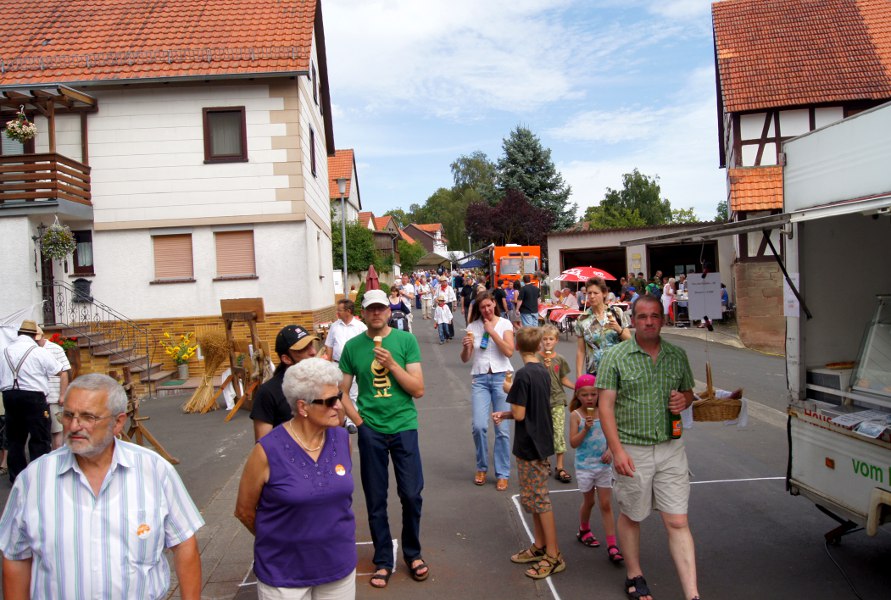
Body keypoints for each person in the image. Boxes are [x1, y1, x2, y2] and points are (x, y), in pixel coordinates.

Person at [0, 373, 204, 599]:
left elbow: (185, 544)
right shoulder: (34, 480)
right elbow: (16, 556)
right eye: (68, 415)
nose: (75, 426)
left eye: (88, 417)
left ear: (118, 422)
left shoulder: (154, 471)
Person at [597, 295, 700, 600]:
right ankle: (634, 574)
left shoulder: (677, 355)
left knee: (678, 520)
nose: (649, 322)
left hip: (671, 448)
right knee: (632, 515)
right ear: (633, 319)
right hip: (633, 449)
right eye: (642, 317)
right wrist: (617, 451)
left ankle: (693, 594)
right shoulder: (615, 356)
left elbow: (688, 393)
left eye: (655, 316)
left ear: (662, 320)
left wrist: (686, 399)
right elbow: (605, 406)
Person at [235, 358, 356, 599]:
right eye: (331, 401)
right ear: (303, 407)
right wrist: (281, 541)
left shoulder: (342, 439)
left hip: (338, 566)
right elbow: (244, 511)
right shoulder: (267, 451)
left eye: (339, 397)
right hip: (285, 573)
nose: (339, 407)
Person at [338, 289, 428, 589]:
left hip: (403, 425)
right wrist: (360, 423)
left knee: (412, 494)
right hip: (371, 429)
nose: (376, 313)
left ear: (389, 311)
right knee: (376, 498)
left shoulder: (405, 341)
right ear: (363, 314)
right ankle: (383, 560)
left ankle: (413, 553)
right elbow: (342, 391)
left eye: (381, 308)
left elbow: (417, 389)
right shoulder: (352, 347)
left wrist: (391, 365)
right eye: (370, 309)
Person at [494, 327, 564, 579]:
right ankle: (540, 546)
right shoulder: (543, 371)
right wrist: (505, 413)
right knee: (534, 499)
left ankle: (553, 555)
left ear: (518, 348)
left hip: (529, 445)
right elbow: (531, 409)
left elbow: (521, 413)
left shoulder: (522, 376)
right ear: (536, 348)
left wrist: (507, 390)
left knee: (539, 500)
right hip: (541, 441)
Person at [460, 290, 515, 490]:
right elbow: (465, 358)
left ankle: (502, 473)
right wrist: (466, 347)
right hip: (480, 378)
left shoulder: (504, 324)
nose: (486, 310)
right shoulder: (472, 327)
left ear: (494, 303)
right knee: (479, 426)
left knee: (501, 428)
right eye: (482, 307)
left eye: (489, 305)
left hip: (502, 378)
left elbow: (509, 350)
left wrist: (492, 332)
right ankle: (482, 467)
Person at [568, 375, 623, 564]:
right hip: (585, 466)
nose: (590, 398)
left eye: (593, 394)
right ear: (578, 395)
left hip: (603, 465)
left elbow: (613, 434)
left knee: (606, 504)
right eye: (585, 395)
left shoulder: (605, 412)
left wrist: (610, 450)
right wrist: (585, 429)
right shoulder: (576, 415)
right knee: (589, 502)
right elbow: (573, 443)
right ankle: (584, 529)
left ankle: (612, 544)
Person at [0, 320, 62, 482]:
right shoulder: (38, 351)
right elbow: (58, 369)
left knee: (15, 440)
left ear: (19, 334)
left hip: (9, 396)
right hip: (34, 397)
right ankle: (38, 478)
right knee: (39, 438)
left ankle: (17, 478)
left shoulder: (5, 351)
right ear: (35, 335)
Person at [251, 325, 319, 441]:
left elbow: (338, 422)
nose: (313, 352)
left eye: (311, 345)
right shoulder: (268, 392)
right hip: (289, 457)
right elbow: (263, 445)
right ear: (286, 358)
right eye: (303, 348)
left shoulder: (322, 382)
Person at [324, 299, 367, 433]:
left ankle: (350, 421)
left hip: (354, 366)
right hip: (337, 364)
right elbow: (329, 346)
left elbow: (366, 348)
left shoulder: (361, 327)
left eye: (339, 310)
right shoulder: (334, 327)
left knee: (352, 394)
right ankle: (339, 419)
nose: (337, 313)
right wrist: (328, 364)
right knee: (336, 393)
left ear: (348, 311)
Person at [538, 325, 573, 484]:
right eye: (544, 339)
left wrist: (577, 387)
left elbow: (563, 379)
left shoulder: (560, 359)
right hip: (541, 401)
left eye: (550, 339)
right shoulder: (536, 358)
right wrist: (542, 369)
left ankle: (559, 467)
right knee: (544, 432)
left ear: (556, 341)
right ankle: (544, 461)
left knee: (558, 432)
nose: (547, 342)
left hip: (557, 399)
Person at [575, 279, 631, 377]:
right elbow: (581, 351)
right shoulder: (582, 319)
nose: (592, 296)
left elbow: (630, 341)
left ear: (604, 293)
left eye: (596, 293)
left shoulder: (617, 313)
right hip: (594, 372)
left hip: (617, 370)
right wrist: (579, 376)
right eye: (589, 293)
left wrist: (618, 329)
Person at [36, 333, 71, 450]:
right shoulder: (31, 350)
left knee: (57, 431)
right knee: (41, 433)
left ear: (42, 335)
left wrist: (62, 395)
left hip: (53, 397)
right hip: (37, 398)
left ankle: (57, 458)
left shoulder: (56, 349)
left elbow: (65, 371)